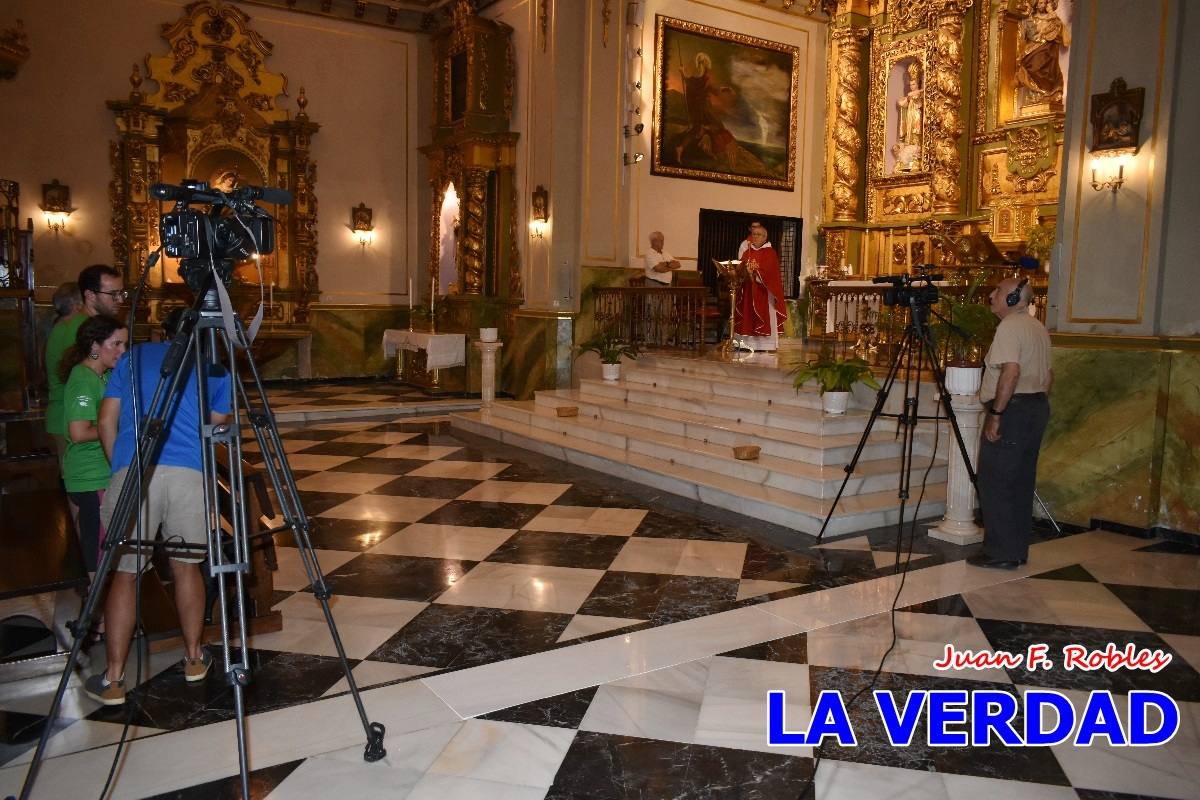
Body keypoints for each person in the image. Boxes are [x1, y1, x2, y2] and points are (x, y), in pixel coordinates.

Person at [86, 310, 231, 706]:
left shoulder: (133, 358)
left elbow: (105, 419)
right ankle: (194, 658)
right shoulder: (216, 369)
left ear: (164, 333)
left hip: (137, 468)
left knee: (126, 574)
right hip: (188, 474)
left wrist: (123, 464)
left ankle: (114, 678)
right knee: (187, 568)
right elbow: (218, 425)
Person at [968, 277, 1053, 570]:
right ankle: (1016, 549)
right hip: (1035, 407)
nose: (992, 295)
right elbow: (1049, 375)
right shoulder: (1036, 326)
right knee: (1020, 481)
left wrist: (997, 415)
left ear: (1014, 298)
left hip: (1013, 411)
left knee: (997, 481)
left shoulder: (1010, 326)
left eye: (999, 291)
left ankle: (1000, 552)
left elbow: (1011, 372)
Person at [60, 315, 128, 574]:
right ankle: (95, 609)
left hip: (100, 473)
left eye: (125, 345)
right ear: (94, 346)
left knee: (103, 541)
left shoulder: (102, 376)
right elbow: (78, 432)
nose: (122, 351)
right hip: (90, 476)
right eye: (116, 344)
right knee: (97, 546)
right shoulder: (83, 379)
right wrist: (115, 427)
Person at [45, 266, 124, 463]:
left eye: (121, 293)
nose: (120, 300)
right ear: (90, 295)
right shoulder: (81, 329)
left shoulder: (87, 325)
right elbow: (81, 382)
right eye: (113, 294)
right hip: (75, 421)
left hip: (82, 419)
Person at [733, 222, 787, 351]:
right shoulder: (747, 252)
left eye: (758, 235)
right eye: (753, 234)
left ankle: (764, 345)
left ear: (764, 237)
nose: (755, 237)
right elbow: (740, 268)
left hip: (763, 292)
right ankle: (745, 343)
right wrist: (741, 272)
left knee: (764, 316)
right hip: (748, 291)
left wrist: (755, 273)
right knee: (747, 316)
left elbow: (769, 273)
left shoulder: (770, 252)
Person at [1016, 0, 1069, 105]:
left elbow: (1059, 31)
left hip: (1048, 49)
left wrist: (1052, 15)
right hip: (1033, 48)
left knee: (1044, 69)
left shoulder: (1052, 19)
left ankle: (1048, 92)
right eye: (1040, 3)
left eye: (1044, 3)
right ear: (1036, 5)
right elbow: (1027, 36)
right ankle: (1038, 94)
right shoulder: (1032, 19)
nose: (1042, 5)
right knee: (1032, 67)